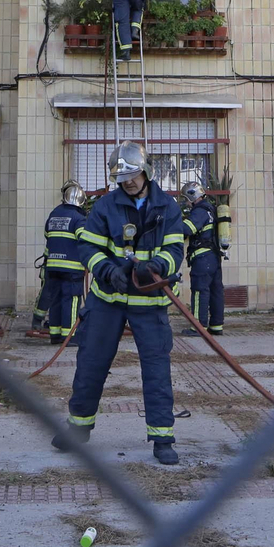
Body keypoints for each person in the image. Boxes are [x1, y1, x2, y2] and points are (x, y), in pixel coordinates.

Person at [53, 141, 185, 464]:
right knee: (91, 363)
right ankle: (78, 428)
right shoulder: (104, 207)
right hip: (108, 299)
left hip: (149, 301)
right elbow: (88, 247)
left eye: (133, 175)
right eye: (121, 177)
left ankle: (162, 438)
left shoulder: (167, 207)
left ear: (146, 171)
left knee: (156, 370)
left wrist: (156, 267)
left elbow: (175, 249)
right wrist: (106, 269)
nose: (127, 182)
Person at [41, 179, 90, 344]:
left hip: (52, 267)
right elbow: (85, 240)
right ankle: (70, 336)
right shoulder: (78, 218)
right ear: (80, 202)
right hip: (72, 269)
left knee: (56, 299)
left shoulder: (53, 215)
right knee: (71, 300)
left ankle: (55, 335)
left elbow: (48, 237)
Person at [178, 183, 224, 337]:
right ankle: (216, 325)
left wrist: (175, 223)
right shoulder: (210, 209)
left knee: (199, 291)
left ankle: (198, 327)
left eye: (186, 199)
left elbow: (187, 229)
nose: (186, 203)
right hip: (214, 258)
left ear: (193, 196)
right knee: (216, 291)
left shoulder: (199, 211)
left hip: (203, 258)